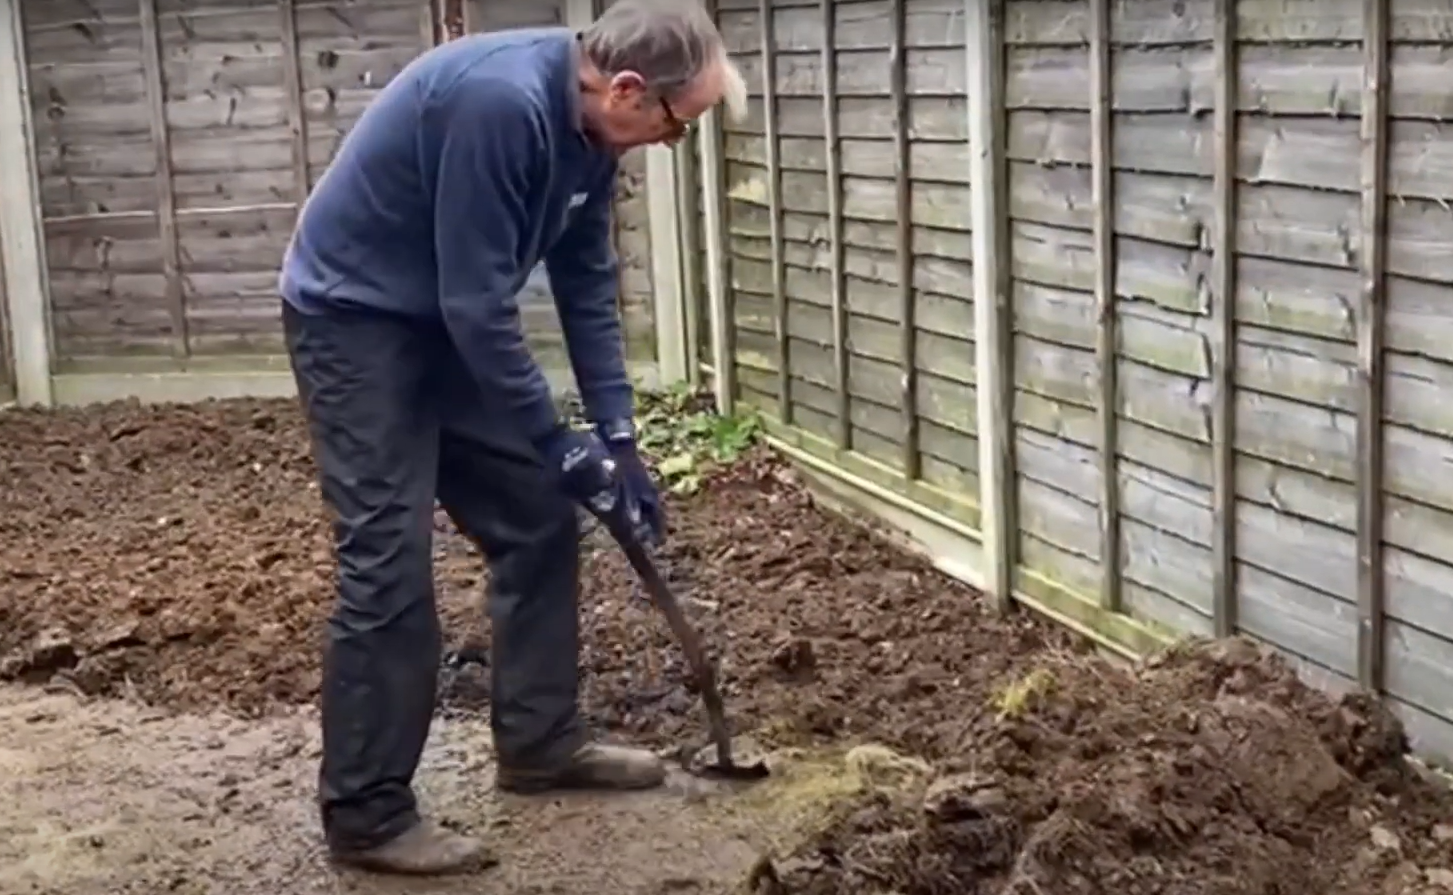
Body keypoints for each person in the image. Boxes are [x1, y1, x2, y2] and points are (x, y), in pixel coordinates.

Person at [277, 0, 746, 877]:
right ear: (632, 91)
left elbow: (585, 275)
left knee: (537, 514)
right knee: (385, 560)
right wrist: (551, 434)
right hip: (356, 320)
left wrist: (616, 438)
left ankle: (540, 740)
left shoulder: (590, 131)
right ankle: (368, 812)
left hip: (444, 319)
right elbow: (476, 306)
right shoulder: (502, 104)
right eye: (677, 128)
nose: (666, 143)